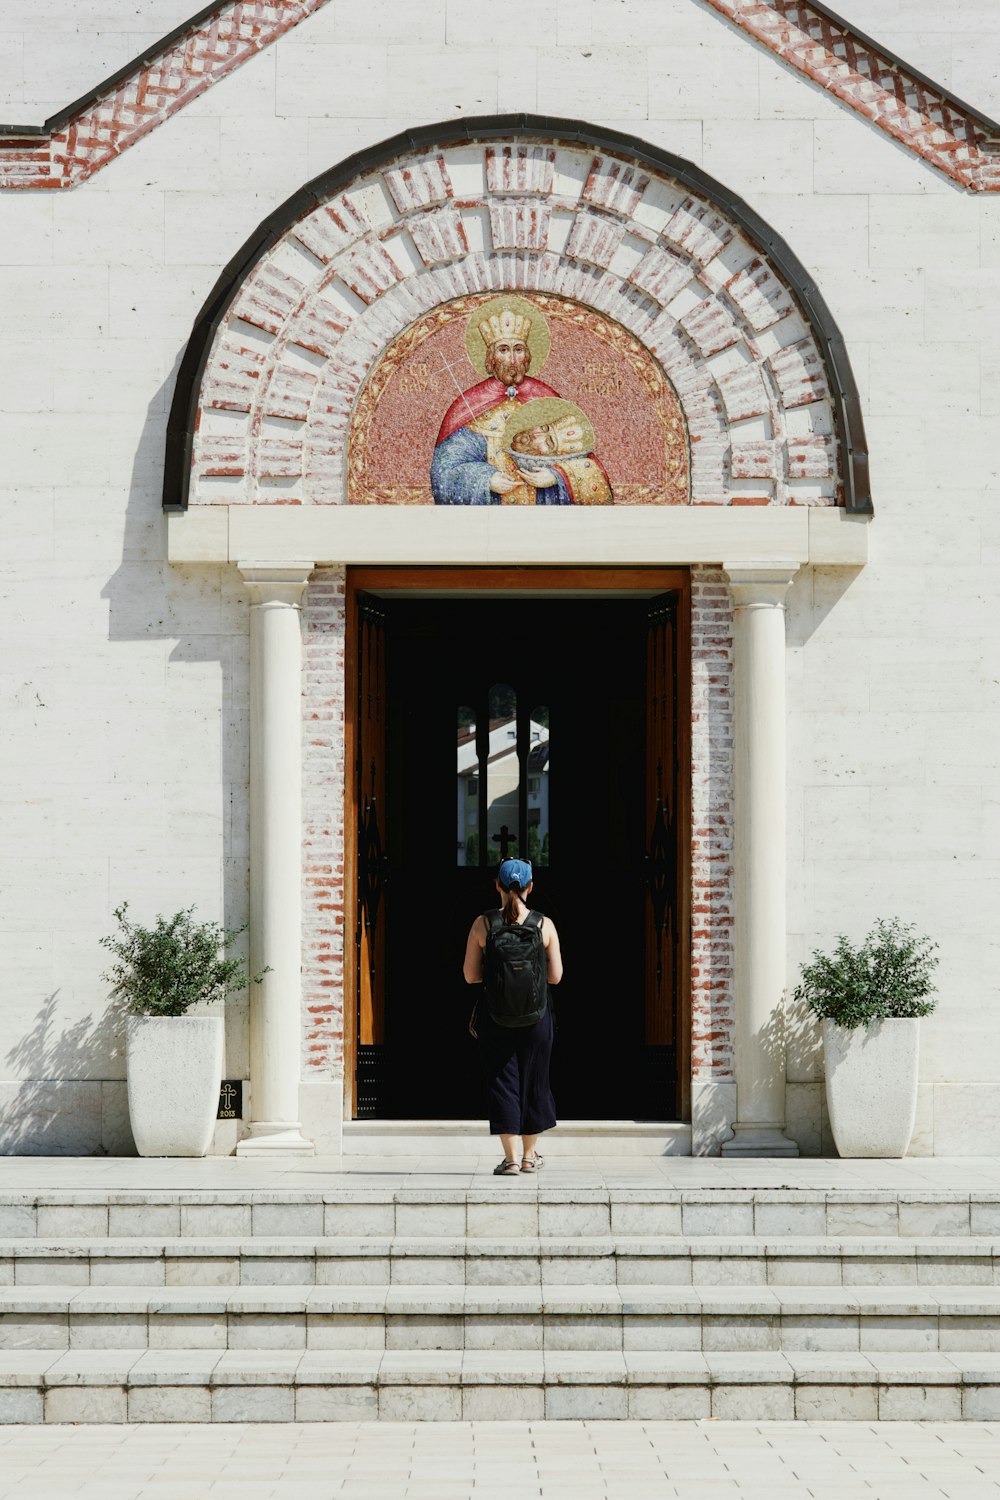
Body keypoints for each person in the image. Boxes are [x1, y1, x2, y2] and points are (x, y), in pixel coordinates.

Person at [463, 857, 563, 1175]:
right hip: (537, 1016)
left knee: (502, 1082)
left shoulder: (483, 924)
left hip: (497, 1016)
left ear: (497, 886)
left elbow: (469, 976)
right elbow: (556, 977)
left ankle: (510, 1159)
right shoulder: (543, 924)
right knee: (535, 1081)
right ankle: (530, 1156)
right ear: (530, 887)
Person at [430, 300, 560, 505]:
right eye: (503, 350)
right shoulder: (471, 404)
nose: (512, 360)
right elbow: (445, 471)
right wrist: (486, 479)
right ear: (491, 358)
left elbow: (582, 457)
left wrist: (556, 477)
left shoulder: (546, 398)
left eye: (518, 350)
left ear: (527, 357)